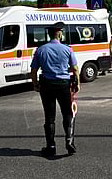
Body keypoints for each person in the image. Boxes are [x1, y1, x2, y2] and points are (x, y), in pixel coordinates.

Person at [30, 22, 80, 157]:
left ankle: (51, 146)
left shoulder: (40, 50)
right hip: (64, 84)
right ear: (59, 34)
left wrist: (35, 85)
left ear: (49, 34)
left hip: (47, 85)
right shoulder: (67, 49)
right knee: (67, 113)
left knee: (49, 117)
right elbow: (75, 69)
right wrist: (78, 83)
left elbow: (33, 70)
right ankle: (69, 142)